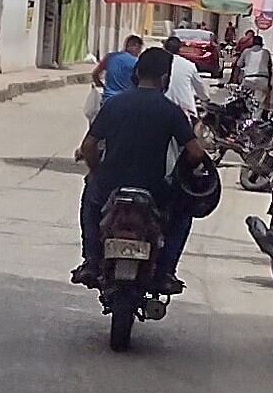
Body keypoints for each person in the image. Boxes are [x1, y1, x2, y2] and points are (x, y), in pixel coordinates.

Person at [75, 43, 201, 297]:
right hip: (155, 188)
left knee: (90, 204)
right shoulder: (172, 111)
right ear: (165, 78)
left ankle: (91, 260)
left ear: (137, 73)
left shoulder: (114, 105)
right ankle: (165, 271)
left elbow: (88, 145)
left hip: (111, 183)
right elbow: (195, 153)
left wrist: (97, 171)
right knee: (182, 215)